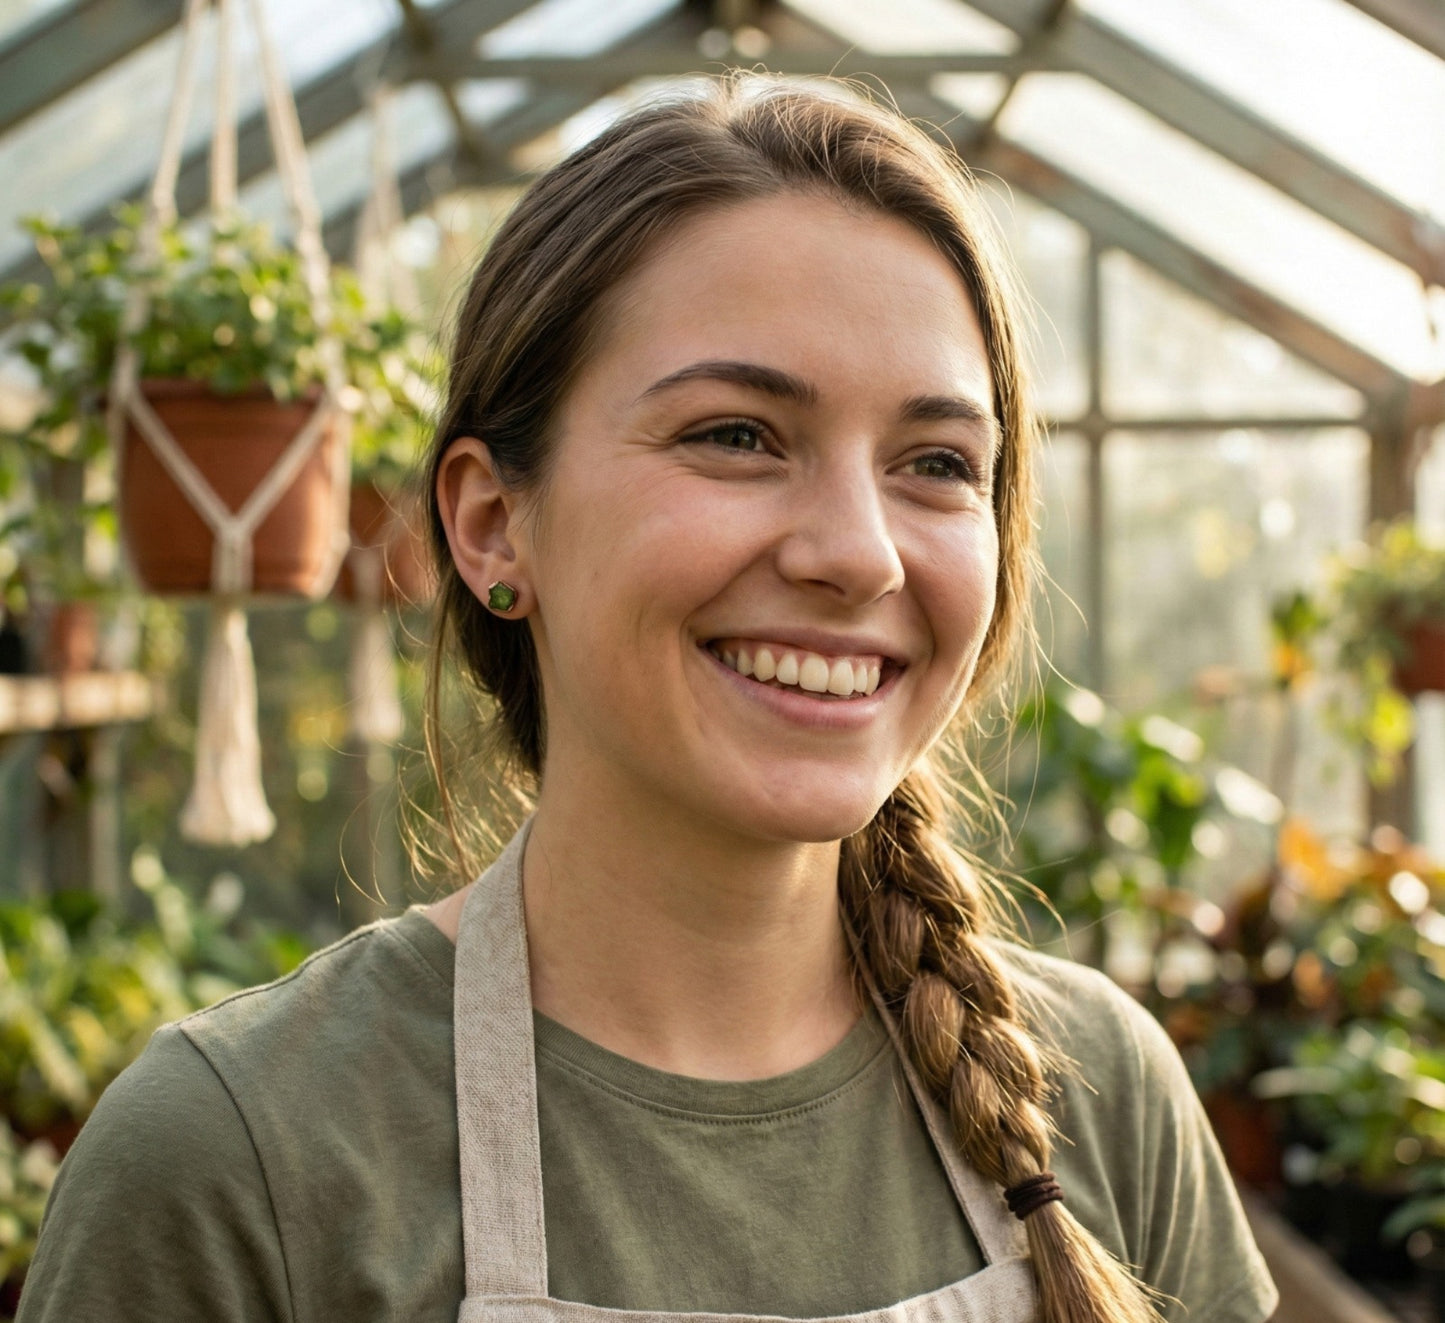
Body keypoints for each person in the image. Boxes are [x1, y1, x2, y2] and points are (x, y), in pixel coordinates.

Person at [20, 77, 1277, 1323]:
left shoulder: (1100, 1097)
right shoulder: (235, 1163)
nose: (859, 554)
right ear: (491, 522)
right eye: (735, 436)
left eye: (936, 463)